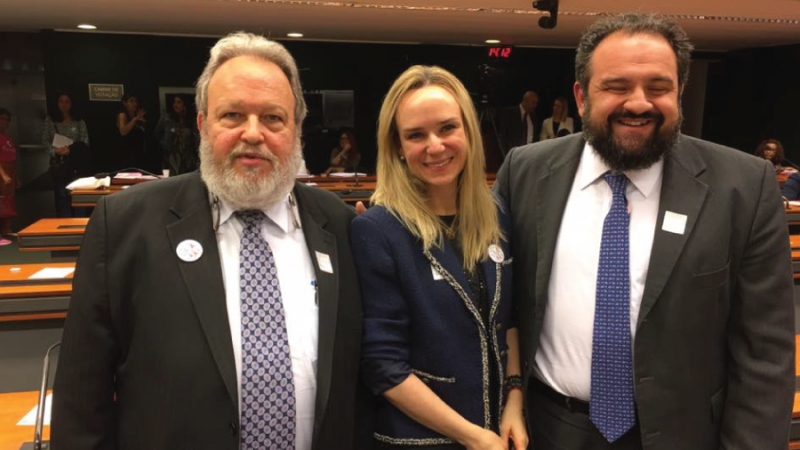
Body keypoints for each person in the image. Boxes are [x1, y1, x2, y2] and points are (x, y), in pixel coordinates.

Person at [52, 32, 367, 450]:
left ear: (297, 130)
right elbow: (81, 399)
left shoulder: (340, 226)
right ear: (202, 123)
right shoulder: (125, 225)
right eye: (232, 115)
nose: (252, 133)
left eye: (273, 117)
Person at [494, 13, 794, 450]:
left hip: (685, 434)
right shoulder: (525, 171)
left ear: (680, 92)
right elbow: (501, 302)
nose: (639, 103)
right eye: (616, 87)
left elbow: (765, 357)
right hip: (549, 429)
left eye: (658, 87)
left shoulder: (744, 187)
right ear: (581, 96)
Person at [350, 65, 527, 449]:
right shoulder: (378, 230)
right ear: (397, 145)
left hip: (499, 433)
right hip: (417, 440)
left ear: (468, 130)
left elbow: (508, 319)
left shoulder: (495, 214)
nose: (435, 146)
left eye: (447, 128)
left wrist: (514, 399)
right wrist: (473, 437)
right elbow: (383, 365)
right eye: (415, 135)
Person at [41, 91, 90, 217]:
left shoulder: (79, 121)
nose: (64, 104)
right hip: (60, 164)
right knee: (62, 197)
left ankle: (81, 228)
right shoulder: (51, 120)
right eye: (61, 101)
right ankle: (65, 228)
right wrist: (54, 151)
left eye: (67, 101)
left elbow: (85, 141)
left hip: (76, 165)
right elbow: (45, 140)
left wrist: (71, 150)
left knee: (79, 197)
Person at [155, 94, 199, 175]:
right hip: (171, 157)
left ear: (184, 105)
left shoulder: (191, 121)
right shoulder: (167, 119)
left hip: (188, 159)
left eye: (178, 102)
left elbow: (196, 140)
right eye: (174, 102)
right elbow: (157, 135)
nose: (175, 105)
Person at [497, 90, 538, 156]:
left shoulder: (533, 117)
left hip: (529, 155)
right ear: (525, 101)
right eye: (533, 103)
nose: (535, 105)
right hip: (513, 155)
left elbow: (534, 137)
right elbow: (503, 135)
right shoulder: (509, 113)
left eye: (536, 103)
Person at [116, 92, 146, 170]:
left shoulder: (138, 116)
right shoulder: (123, 115)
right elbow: (123, 132)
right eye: (131, 101)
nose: (134, 103)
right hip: (127, 155)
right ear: (125, 103)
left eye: (135, 101)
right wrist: (134, 120)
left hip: (138, 153)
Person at [0, 108, 17, 237]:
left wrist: (15, 175)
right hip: (2, 172)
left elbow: (12, 157)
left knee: (9, 202)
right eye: (2, 119)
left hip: (10, 171)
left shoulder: (8, 138)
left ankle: (7, 230)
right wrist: (3, 174)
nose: (5, 122)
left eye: (7, 120)